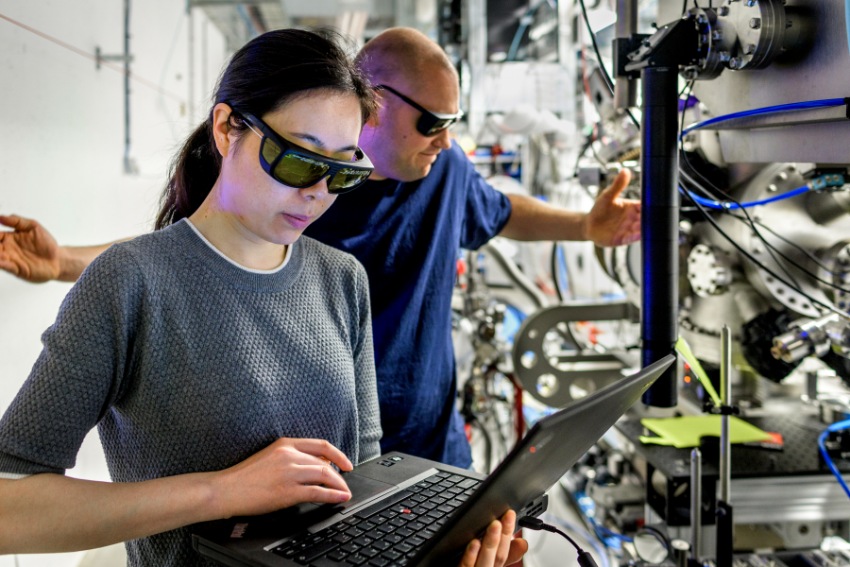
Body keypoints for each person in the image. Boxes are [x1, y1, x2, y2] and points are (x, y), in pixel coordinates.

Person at [0, 27, 640, 470]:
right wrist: (65, 264)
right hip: (306, 465)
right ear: (376, 105)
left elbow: (499, 214)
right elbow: (178, 259)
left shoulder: (423, 186)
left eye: (341, 172)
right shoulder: (278, 212)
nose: (316, 194)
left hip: (416, 456)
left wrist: (585, 226)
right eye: (432, 123)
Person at [0, 29, 526, 567]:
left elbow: (361, 489)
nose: (318, 192)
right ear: (229, 129)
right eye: (300, 161)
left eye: (343, 172)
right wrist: (220, 491)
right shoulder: (129, 283)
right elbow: (7, 506)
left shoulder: (342, 280)